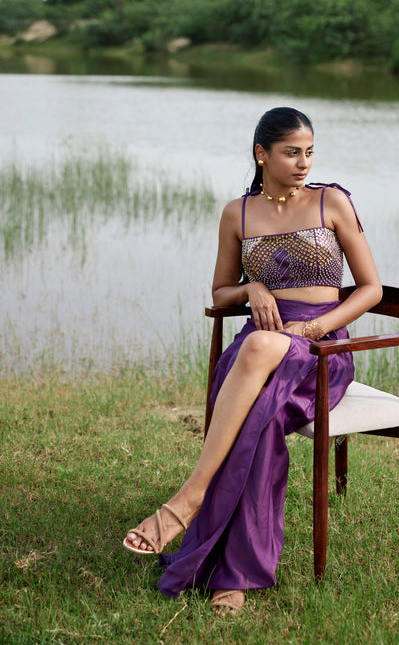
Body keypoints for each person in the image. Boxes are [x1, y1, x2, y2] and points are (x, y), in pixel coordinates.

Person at [123, 107, 382, 614]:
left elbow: (370, 289)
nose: (303, 162)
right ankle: (234, 575)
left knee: (264, 350)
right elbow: (220, 294)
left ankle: (189, 500)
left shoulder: (333, 202)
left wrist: (311, 328)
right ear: (261, 154)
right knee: (258, 412)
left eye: (309, 152)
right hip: (257, 350)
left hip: (321, 349)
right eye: (291, 152)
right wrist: (252, 287)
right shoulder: (237, 215)